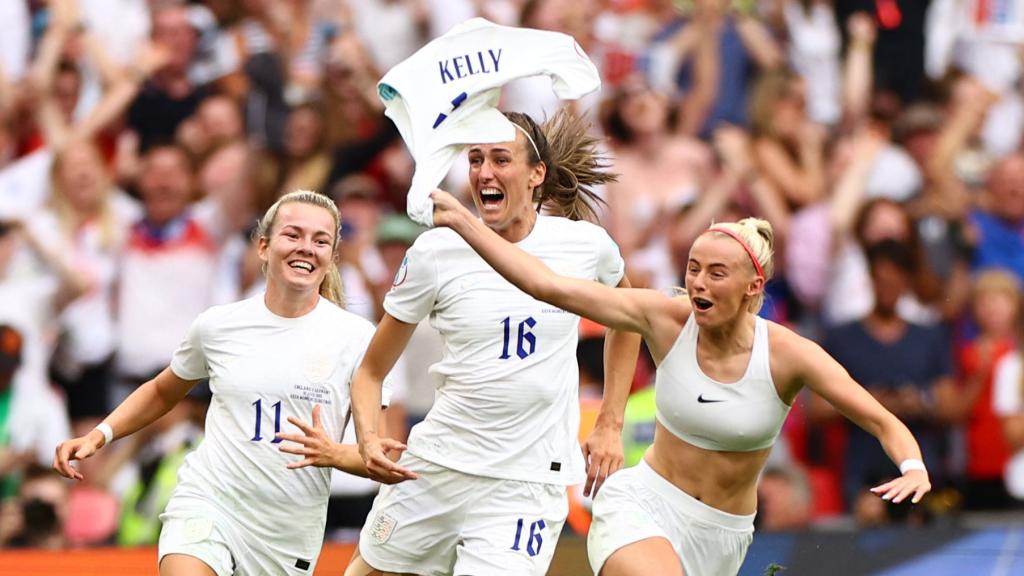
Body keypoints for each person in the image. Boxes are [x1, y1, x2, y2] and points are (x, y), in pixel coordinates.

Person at [429, 194, 932, 576]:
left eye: (717, 273)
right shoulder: (665, 319)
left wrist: (912, 466)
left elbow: (881, 420)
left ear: (753, 286)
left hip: (724, 536)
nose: (698, 283)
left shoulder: (788, 355)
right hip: (642, 503)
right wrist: (467, 224)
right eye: (693, 269)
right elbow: (549, 285)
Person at [347, 109, 642, 576]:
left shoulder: (585, 246)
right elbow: (370, 371)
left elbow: (629, 319)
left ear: (536, 174)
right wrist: (368, 439)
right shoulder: (434, 252)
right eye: (476, 159)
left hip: (524, 484)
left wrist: (610, 422)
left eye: (501, 159)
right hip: (437, 465)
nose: (485, 172)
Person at [53, 190, 406, 575]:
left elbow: (378, 458)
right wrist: (100, 434)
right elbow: (162, 390)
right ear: (263, 246)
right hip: (209, 501)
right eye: (293, 235)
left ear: (331, 256)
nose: (306, 248)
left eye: (321, 241)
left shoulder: (355, 338)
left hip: (284, 532)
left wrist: (333, 454)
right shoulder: (218, 325)